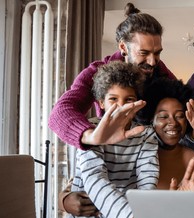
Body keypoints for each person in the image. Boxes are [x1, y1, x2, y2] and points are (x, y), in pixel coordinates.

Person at [48, 2, 176, 150]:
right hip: (111, 156)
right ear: (123, 47)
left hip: (150, 157)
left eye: (157, 53)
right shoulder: (97, 72)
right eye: (144, 53)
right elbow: (60, 112)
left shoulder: (162, 73)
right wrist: (91, 136)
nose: (152, 61)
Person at [66, 61, 159, 218]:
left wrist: (141, 217)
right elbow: (95, 179)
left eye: (129, 100)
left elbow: (147, 180)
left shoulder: (145, 134)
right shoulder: (91, 133)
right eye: (113, 99)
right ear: (101, 102)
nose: (121, 107)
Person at [138, 78, 194, 189]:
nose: (173, 123)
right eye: (163, 116)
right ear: (151, 120)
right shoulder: (140, 156)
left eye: (179, 116)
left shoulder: (193, 159)